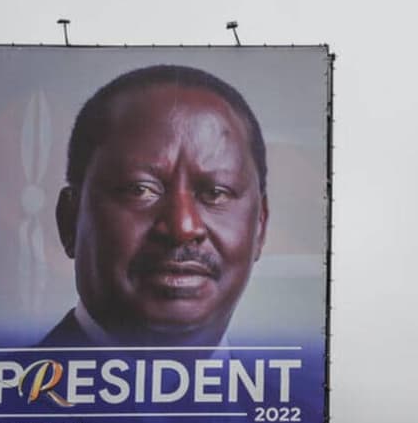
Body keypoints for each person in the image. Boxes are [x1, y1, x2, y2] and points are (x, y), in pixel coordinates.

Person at [45, 64, 270, 347]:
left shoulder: (293, 393)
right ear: (70, 221)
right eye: (140, 190)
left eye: (215, 193)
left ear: (260, 227)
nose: (182, 227)